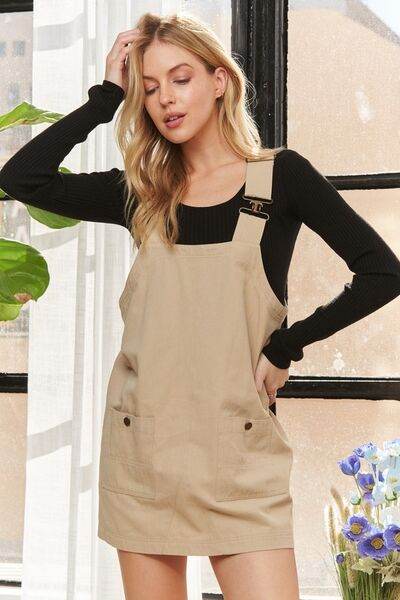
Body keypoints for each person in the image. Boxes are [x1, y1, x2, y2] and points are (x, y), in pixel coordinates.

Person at [1, 12, 400, 600]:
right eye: (149, 87)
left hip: (239, 450)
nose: (165, 99)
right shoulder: (140, 192)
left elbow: (382, 272)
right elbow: (22, 178)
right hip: (145, 448)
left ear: (219, 81)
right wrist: (105, 96)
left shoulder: (280, 177)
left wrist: (286, 346)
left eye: (181, 78)